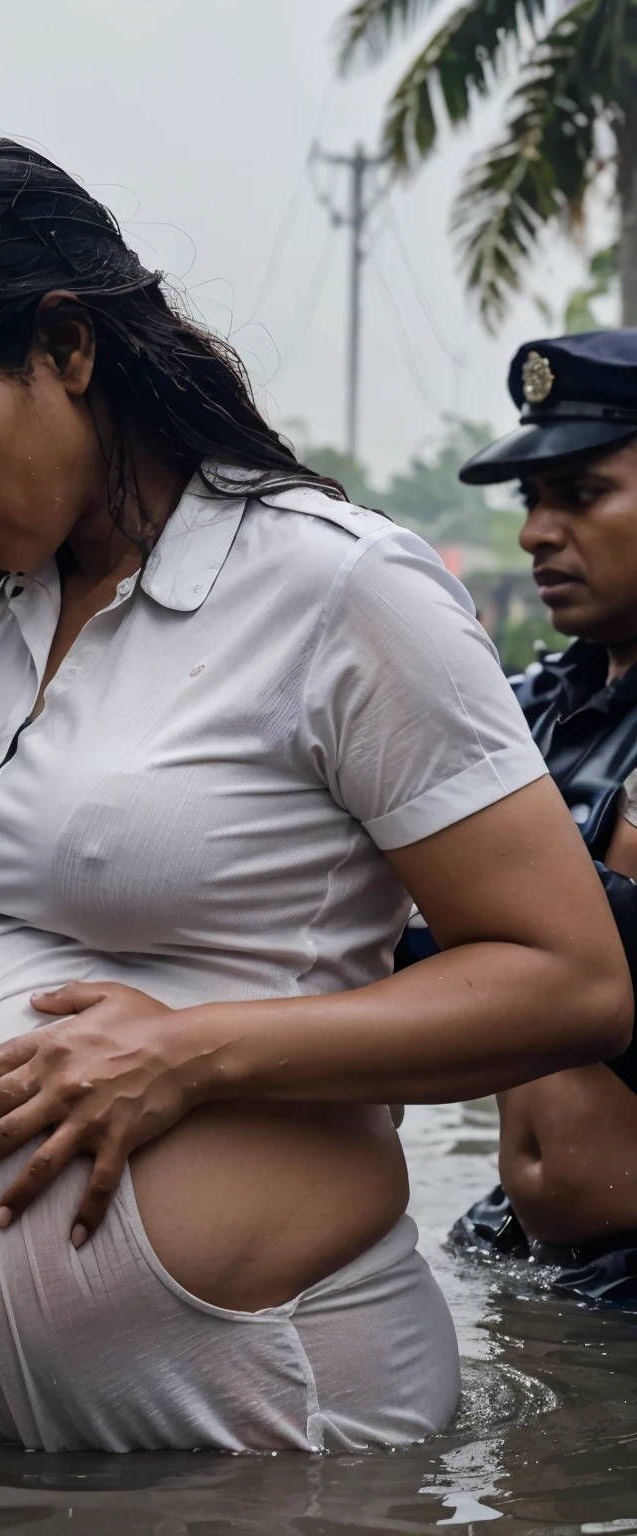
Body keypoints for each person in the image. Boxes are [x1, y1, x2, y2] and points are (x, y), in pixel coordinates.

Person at [0, 133, 631, 1454]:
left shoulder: (341, 594)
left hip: (275, 1446)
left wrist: (186, 1052)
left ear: (68, 346)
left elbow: (573, 981)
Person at [423, 331, 637, 1305]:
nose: (535, 534)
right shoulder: (531, 706)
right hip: (521, 1252)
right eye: (531, 502)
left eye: (581, 496)